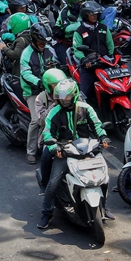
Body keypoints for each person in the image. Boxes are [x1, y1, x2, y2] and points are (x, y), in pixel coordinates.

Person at [38, 78, 111, 229]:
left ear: (75, 95)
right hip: (65, 152)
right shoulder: (54, 113)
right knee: (53, 183)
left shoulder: (86, 108)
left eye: (67, 97)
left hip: (87, 149)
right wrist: (55, 148)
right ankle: (47, 213)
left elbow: (97, 125)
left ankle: (103, 206)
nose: (65, 100)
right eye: (62, 98)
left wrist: (103, 136)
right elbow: (47, 134)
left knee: (104, 177)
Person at [20, 23, 60, 164]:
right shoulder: (26, 54)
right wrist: (38, 82)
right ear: (33, 40)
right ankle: (30, 152)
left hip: (51, 89)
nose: (43, 45)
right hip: (33, 91)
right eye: (40, 42)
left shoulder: (49, 49)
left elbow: (56, 65)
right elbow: (25, 73)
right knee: (36, 121)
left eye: (45, 42)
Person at [72, 1, 115, 110]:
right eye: (91, 14)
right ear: (85, 15)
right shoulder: (79, 31)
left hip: (105, 64)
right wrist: (84, 60)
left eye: (96, 14)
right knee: (82, 95)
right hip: (89, 67)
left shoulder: (104, 28)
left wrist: (112, 57)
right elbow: (77, 49)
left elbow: (110, 46)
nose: (94, 16)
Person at [35, 68, 69, 190]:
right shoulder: (41, 98)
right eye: (56, 86)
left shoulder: (71, 93)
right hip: (51, 136)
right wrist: (55, 103)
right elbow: (40, 120)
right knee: (46, 157)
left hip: (71, 135)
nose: (60, 89)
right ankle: (44, 185)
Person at [52, 0, 87, 64]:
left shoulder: (85, 9)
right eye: (79, 2)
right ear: (72, 3)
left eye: (83, 1)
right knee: (66, 63)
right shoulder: (65, 12)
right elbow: (67, 29)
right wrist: (83, 23)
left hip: (79, 39)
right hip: (64, 41)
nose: (82, 3)